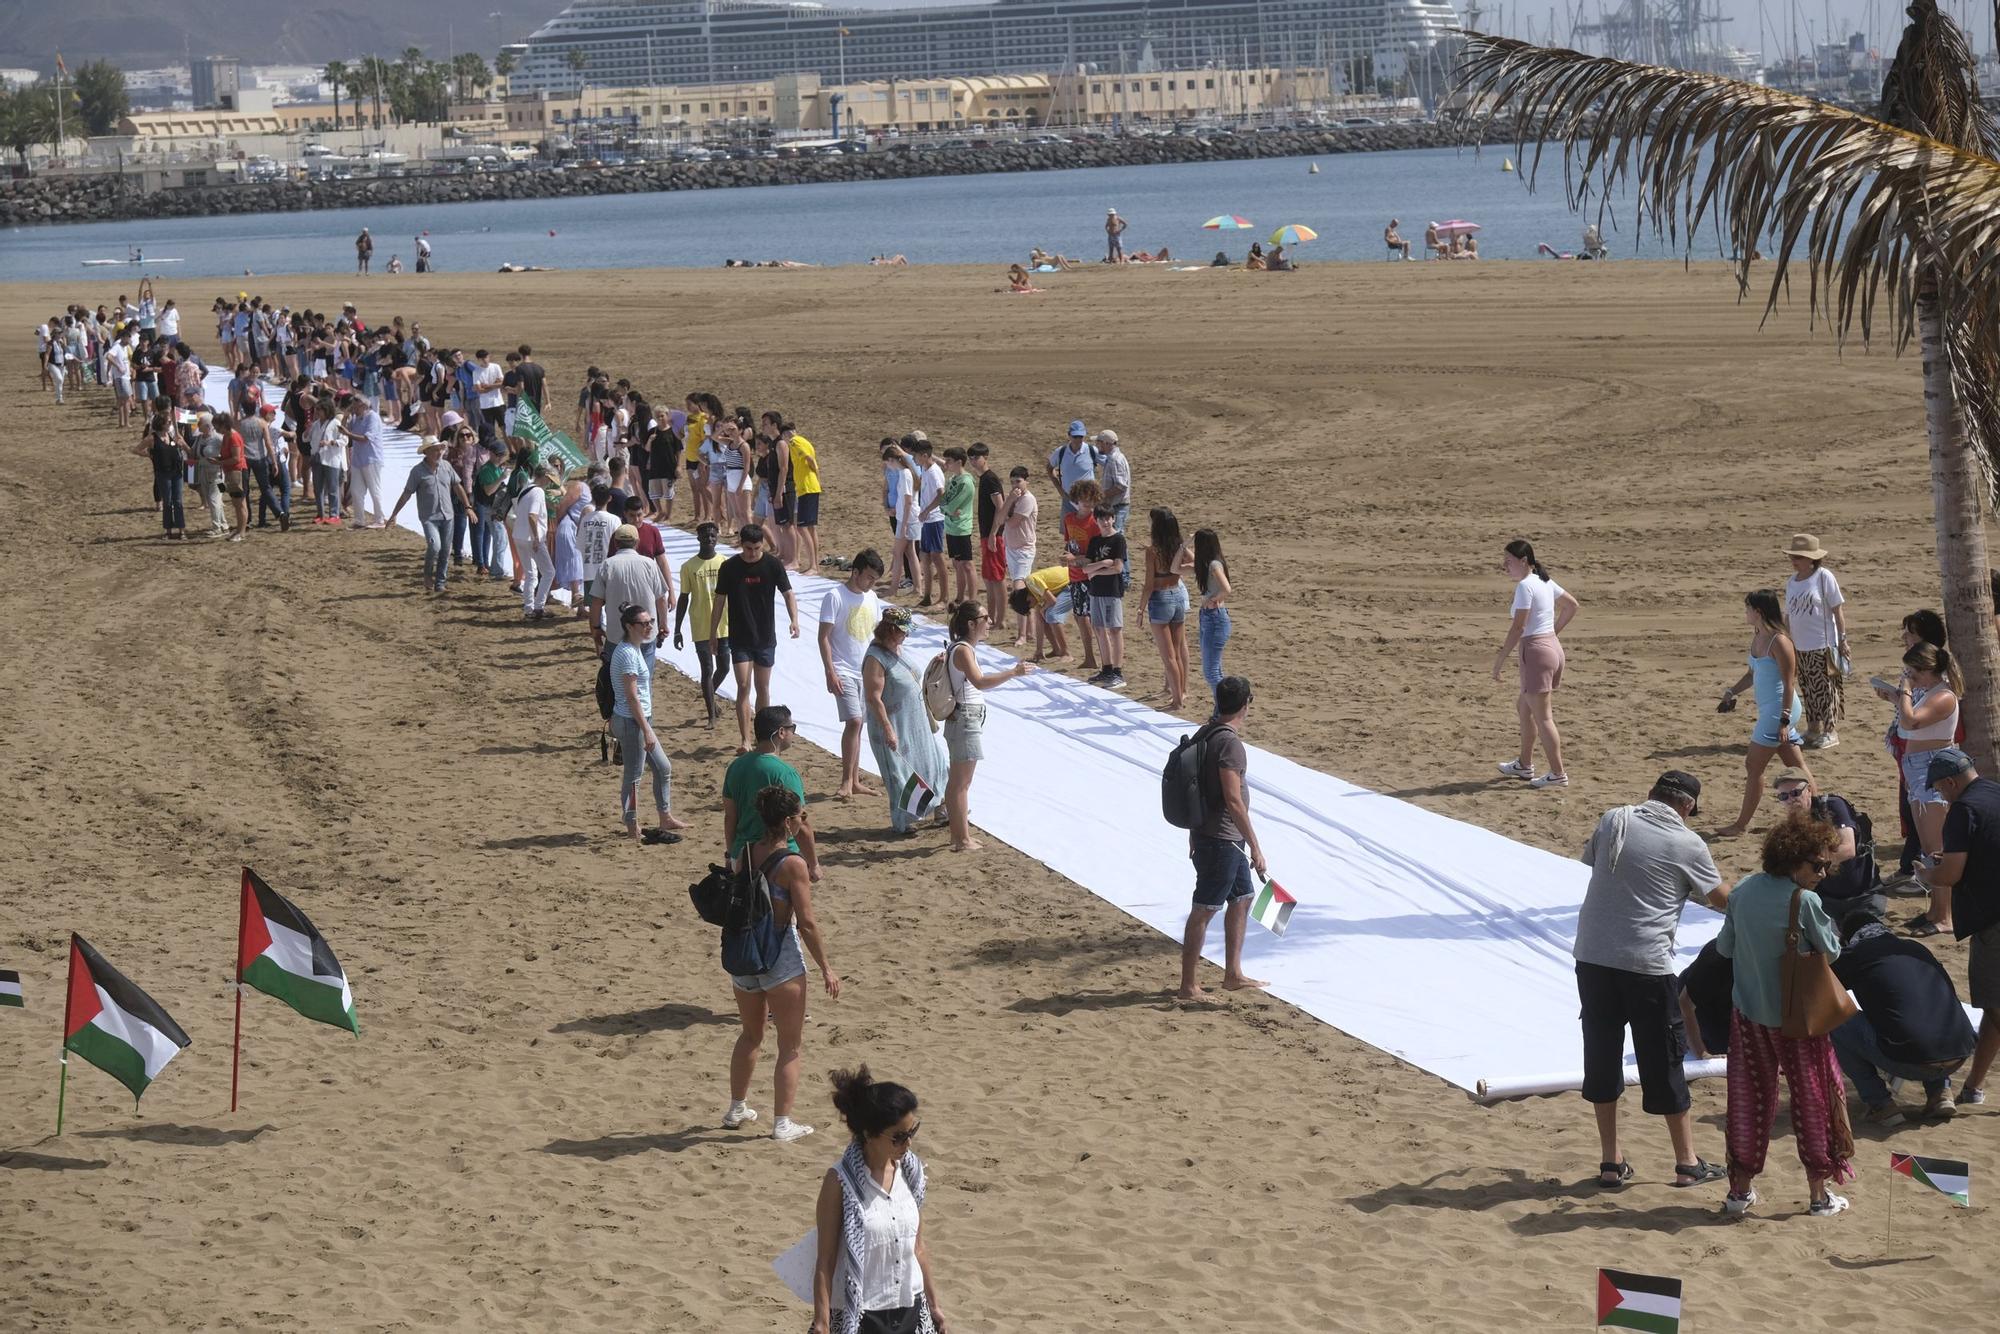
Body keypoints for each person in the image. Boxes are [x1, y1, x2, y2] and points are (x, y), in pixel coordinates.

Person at [1573, 771, 1729, 1188]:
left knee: (1601, 1057)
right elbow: (1720, 899)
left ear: (1651, 795)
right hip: (1646, 964)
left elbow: (1594, 864)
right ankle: (1686, 1162)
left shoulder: (1613, 819)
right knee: (1664, 1062)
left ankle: (1610, 1161)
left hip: (1592, 957)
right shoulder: (1687, 843)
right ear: (1688, 807)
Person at [1716, 815, 1855, 1218]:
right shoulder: (1805, 901)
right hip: (1798, 1018)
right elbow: (1831, 951)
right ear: (1794, 859)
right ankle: (1818, 1195)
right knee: (1814, 1100)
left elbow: (1725, 949)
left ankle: (1739, 1192)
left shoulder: (1742, 891)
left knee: (1746, 1101)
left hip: (1748, 1014)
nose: (1823, 872)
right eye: (1817, 864)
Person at [724, 784, 839, 1144]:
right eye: (802, 817)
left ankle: (736, 1107)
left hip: (744, 955)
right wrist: (826, 967)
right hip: (779, 956)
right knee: (790, 1045)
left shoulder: (746, 852)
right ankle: (782, 1123)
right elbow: (806, 922)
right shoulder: (792, 864)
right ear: (788, 822)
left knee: (750, 1034)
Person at [810, 1067, 951, 1334]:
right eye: (898, 1137)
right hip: (861, 1315)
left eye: (912, 1132)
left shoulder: (911, 1174)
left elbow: (917, 1247)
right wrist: (822, 1320)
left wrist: (934, 1306)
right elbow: (825, 1260)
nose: (907, 1144)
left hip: (911, 1310)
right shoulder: (839, 1182)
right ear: (868, 1134)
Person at [1829, 908, 1977, 1125]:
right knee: (1925, 1013)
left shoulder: (1856, 954)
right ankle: (1940, 1093)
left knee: (1837, 1022)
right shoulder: (1914, 949)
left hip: (1913, 1059)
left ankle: (1880, 1104)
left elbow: (1823, 987)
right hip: (1959, 1053)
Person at [1177, 676, 1269, 999]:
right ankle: (1189, 986)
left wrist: (1192, 830)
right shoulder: (1230, 744)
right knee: (1204, 909)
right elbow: (1233, 800)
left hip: (1216, 838)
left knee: (1242, 898)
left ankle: (1233, 973)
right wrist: (1256, 846)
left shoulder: (1206, 731)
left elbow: (1195, 787)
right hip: (1221, 841)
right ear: (1246, 705)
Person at [1920, 747, 2000, 1104]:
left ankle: (1973, 1087)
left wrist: (1927, 874)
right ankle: (1973, 1087)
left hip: (1993, 922)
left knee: (1995, 1010)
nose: (1940, 795)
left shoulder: (1962, 810)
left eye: (1939, 788)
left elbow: (1950, 876)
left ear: (1952, 781)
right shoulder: (1994, 792)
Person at [1716, 590, 1813, 836]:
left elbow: (1790, 682)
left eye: (1747, 608)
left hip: (1780, 711)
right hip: (1774, 712)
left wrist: (1783, 720)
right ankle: (1819, 814)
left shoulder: (1780, 641)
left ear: (1758, 611)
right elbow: (1751, 674)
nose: (1745, 613)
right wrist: (1731, 691)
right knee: (1797, 765)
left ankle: (1740, 825)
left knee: (1753, 766)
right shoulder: (1758, 635)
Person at [942, 600, 1036, 852]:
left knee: (959, 782)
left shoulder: (962, 648)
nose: (990, 622)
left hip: (963, 718)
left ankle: (959, 836)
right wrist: (1013, 673)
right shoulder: (962, 650)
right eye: (985, 618)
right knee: (960, 783)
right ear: (972, 624)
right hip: (965, 718)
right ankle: (961, 839)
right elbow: (980, 682)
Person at [1493, 539, 1578, 789]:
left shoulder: (1525, 586)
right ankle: (1524, 764)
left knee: (1543, 717)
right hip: (1552, 649)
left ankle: (1557, 773)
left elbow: (1518, 627)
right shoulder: (1544, 581)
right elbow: (1571, 606)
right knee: (1524, 706)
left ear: (1523, 561)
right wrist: (1552, 633)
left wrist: (1499, 660)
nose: (1505, 566)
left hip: (1536, 652)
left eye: (1508, 561)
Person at [1893, 641, 1963, 933]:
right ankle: (1935, 911)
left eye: (1913, 671)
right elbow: (1909, 722)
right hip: (1917, 767)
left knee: (1937, 848)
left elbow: (1912, 719)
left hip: (1933, 768)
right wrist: (1895, 697)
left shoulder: (1944, 695)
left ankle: (1944, 916)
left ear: (1927, 670)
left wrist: (1905, 692)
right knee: (1927, 845)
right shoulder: (1930, 692)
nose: (1909, 675)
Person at [711, 524, 799, 753]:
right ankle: (745, 739)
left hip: (765, 636)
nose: (752, 553)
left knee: (763, 687)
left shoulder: (772, 564)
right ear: (742, 544)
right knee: (742, 686)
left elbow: (788, 593)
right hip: (739, 637)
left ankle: (764, 737)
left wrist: (794, 620)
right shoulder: (729, 567)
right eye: (749, 548)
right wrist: (713, 634)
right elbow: (719, 601)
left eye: (757, 548)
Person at [609, 602, 691, 846]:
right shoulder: (625, 653)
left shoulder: (635, 649)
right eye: (643, 624)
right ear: (629, 626)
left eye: (650, 622)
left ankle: (665, 817)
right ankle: (632, 824)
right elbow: (632, 696)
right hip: (632, 722)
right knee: (633, 777)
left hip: (640, 720)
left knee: (663, 768)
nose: (648, 627)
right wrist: (646, 730)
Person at [862, 607, 949, 837]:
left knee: (935, 763)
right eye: (903, 631)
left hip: (915, 721)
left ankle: (941, 807)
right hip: (894, 723)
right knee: (902, 774)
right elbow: (873, 697)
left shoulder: (898, 648)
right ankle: (903, 821)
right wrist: (888, 729)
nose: (906, 636)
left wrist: (934, 663)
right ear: (891, 630)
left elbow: (911, 676)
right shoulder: (875, 658)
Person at [814, 551, 887, 800]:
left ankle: (855, 780)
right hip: (842, 668)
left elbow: (876, 635)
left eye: (875, 579)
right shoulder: (834, 596)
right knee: (854, 721)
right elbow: (823, 636)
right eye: (868, 577)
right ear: (855, 572)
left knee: (860, 725)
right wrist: (829, 670)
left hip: (866, 670)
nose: (871, 583)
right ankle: (846, 780)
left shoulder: (872, 598)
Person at [721, 706, 822, 880]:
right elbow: (800, 823)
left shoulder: (735, 767)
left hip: (743, 856)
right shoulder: (785, 773)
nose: (793, 734)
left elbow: (730, 817)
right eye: (792, 729)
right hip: (777, 857)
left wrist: (731, 855)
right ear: (781, 732)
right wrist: (814, 865)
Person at [1770, 770, 1883, 923]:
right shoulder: (1792, 825)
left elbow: (1848, 849)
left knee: (1867, 942)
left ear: (1809, 791)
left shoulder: (1831, 806)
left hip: (1863, 897)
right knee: (1824, 944)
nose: (1791, 799)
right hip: (1825, 900)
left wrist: (1810, 865)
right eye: (1784, 796)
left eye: (1795, 793)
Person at [1781, 533, 1849, 749]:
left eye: (1799, 557)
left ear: (1811, 559)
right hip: (1800, 646)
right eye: (1793, 557)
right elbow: (1788, 616)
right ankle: (1813, 729)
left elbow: (1838, 611)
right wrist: (1788, 641)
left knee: (1826, 690)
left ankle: (1831, 731)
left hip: (1823, 644)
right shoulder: (1791, 582)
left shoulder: (1823, 577)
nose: (1794, 561)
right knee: (1808, 688)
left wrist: (1843, 640)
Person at [386, 436, 470, 595]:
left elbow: (457, 486)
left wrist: (467, 506)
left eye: (440, 449)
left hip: (448, 516)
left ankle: (440, 582)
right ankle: (427, 575)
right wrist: (394, 514)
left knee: (445, 550)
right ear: (426, 452)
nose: (439, 452)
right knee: (435, 546)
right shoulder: (417, 472)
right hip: (429, 517)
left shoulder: (446, 466)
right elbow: (406, 494)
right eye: (435, 450)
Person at [674, 522, 733, 729]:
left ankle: (710, 695)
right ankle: (711, 715)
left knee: (724, 667)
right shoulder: (688, 567)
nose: (709, 539)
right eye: (705, 536)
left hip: (724, 624)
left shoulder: (725, 563)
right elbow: (683, 598)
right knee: (707, 668)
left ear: (717, 537)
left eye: (712, 535)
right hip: (700, 625)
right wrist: (677, 629)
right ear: (698, 538)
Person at [1144, 508, 1193, 708]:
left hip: (1161, 598)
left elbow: (1148, 584)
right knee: (1178, 650)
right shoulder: (1177, 547)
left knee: (1169, 655)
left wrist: (1140, 609)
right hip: (1178, 594)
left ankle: (1177, 700)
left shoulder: (1153, 550)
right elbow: (1193, 562)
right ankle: (1181, 692)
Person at [1081, 503, 1127, 688]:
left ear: (1113, 518)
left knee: (1115, 630)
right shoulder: (1095, 541)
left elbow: (1117, 568)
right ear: (1097, 520)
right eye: (1102, 519)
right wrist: (1102, 564)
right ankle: (1106, 669)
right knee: (1099, 629)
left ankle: (1117, 671)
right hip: (1096, 591)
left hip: (1111, 591)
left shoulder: (1118, 540)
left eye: (1108, 518)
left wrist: (1097, 570)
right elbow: (1086, 568)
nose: (1106, 522)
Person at [512, 460, 557, 619]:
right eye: (550, 479)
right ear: (545, 476)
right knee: (549, 572)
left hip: (519, 535)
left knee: (530, 574)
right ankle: (538, 607)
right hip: (532, 538)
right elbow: (533, 515)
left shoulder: (527, 488)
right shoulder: (538, 491)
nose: (549, 483)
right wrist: (537, 538)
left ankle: (529, 608)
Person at [998, 466, 1039, 643]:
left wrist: (1008, 509)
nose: (1015, 485)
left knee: (1019, 590)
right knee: (1024, 589)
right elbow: (1000, 519)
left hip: (1024, 549)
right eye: (1013, 482)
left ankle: (1022, 634)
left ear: (1026, 481)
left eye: (1019, 481)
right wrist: (1009, 500)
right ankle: (1029, 633)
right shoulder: (1013, 499)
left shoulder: (1028, 500)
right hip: (1012, 548)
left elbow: (1013, 522)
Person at [340, 393, 390, 529]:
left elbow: (366, 438)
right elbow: (343, 429)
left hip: (371, 459)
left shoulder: (372, 417)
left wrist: (348, 434)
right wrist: (345, 416)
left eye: (355, 406)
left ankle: (380, 519)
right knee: (356, 491)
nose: (353, 408)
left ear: (363, 405)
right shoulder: (356, 418)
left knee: (375, 490)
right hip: (357, 459)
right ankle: (359, 520)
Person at [1194, 528, 1233, 694]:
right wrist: (1184, 545)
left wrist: (1213, 600)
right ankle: (1226, 706)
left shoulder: (1213, 565)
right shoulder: (1206, 564)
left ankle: (1228, 706)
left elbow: (1227, 588)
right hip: (1209, 618)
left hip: (1214, 618)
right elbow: (1176, 568)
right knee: (1215, 671)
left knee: (1211, 672)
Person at [1008, 565, 1073, 663]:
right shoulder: (1033, 595)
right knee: (1044, 617)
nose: (1033, 607)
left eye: (1030, 606)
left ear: (1027, 599)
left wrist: (1043, 609)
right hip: (1060, 588)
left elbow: (1053, 601)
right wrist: (1039, 650)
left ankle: (1066, 653)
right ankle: (1057, 650)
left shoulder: (1031, 582)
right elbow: (1039, 623)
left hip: (1071, 583)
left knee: (1052, 615)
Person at [939, 448, 976, 604]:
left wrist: (946, 509)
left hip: (961, 528)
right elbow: (943, 503)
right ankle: (960, 597)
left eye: (949, 461)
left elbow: (951, 505)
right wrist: (947, 510)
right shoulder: (953, 478)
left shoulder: (966, 482)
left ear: (959, 462)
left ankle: (972, 600)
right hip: (951, 526)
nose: (946, 464)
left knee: (967, 565)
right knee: (957, 564)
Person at [1045, 422, 1100, 518]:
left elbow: (1108, 463)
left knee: (1091, 530)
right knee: (1069, 530)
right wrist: (1060, 491)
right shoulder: (1061, 452)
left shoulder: (1092, 450)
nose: (1078, 440)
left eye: (1081, 436)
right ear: (1069, 436)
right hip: (1069, 499)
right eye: (1075, 436)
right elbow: (1050, 468)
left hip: (1088, 500)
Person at [788, 422, 822, 575]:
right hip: (810, 487)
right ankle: (814, 564)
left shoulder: (794, 442)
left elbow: (809, 458)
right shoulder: (805, 441)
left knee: (802, 527)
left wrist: (815, 470)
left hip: (806, 487)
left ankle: (813, 565)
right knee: (810, 527)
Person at [1097, 430, 1130, 537]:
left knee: (1116, 538)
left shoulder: (1115, 460)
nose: (1097, 445)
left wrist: (1102, 495)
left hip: (1118, 506)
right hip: (1116, 505)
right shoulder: (1113, 458)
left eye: (1099, 442)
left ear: (1106, 443)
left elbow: (1121, 486)